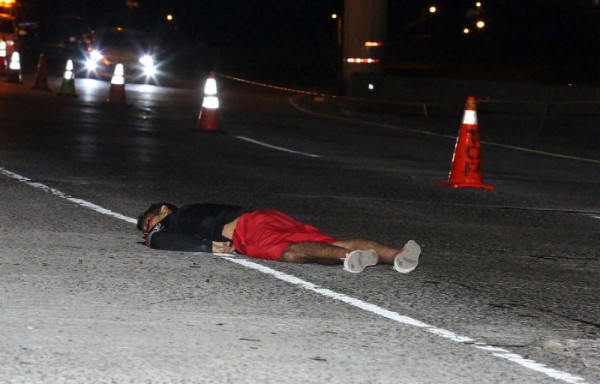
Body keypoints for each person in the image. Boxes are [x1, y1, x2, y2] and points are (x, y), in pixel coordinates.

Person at [137, 202, 421, 274]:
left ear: (163, 210)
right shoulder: (194, 211)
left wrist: (206, 246)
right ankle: (397, 255)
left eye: (149, 222)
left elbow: (158, 241)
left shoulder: (175, 218)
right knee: (333, 241)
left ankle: (349, 259)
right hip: (264, 216)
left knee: (289, 253)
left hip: (246, 230)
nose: (148, 230)